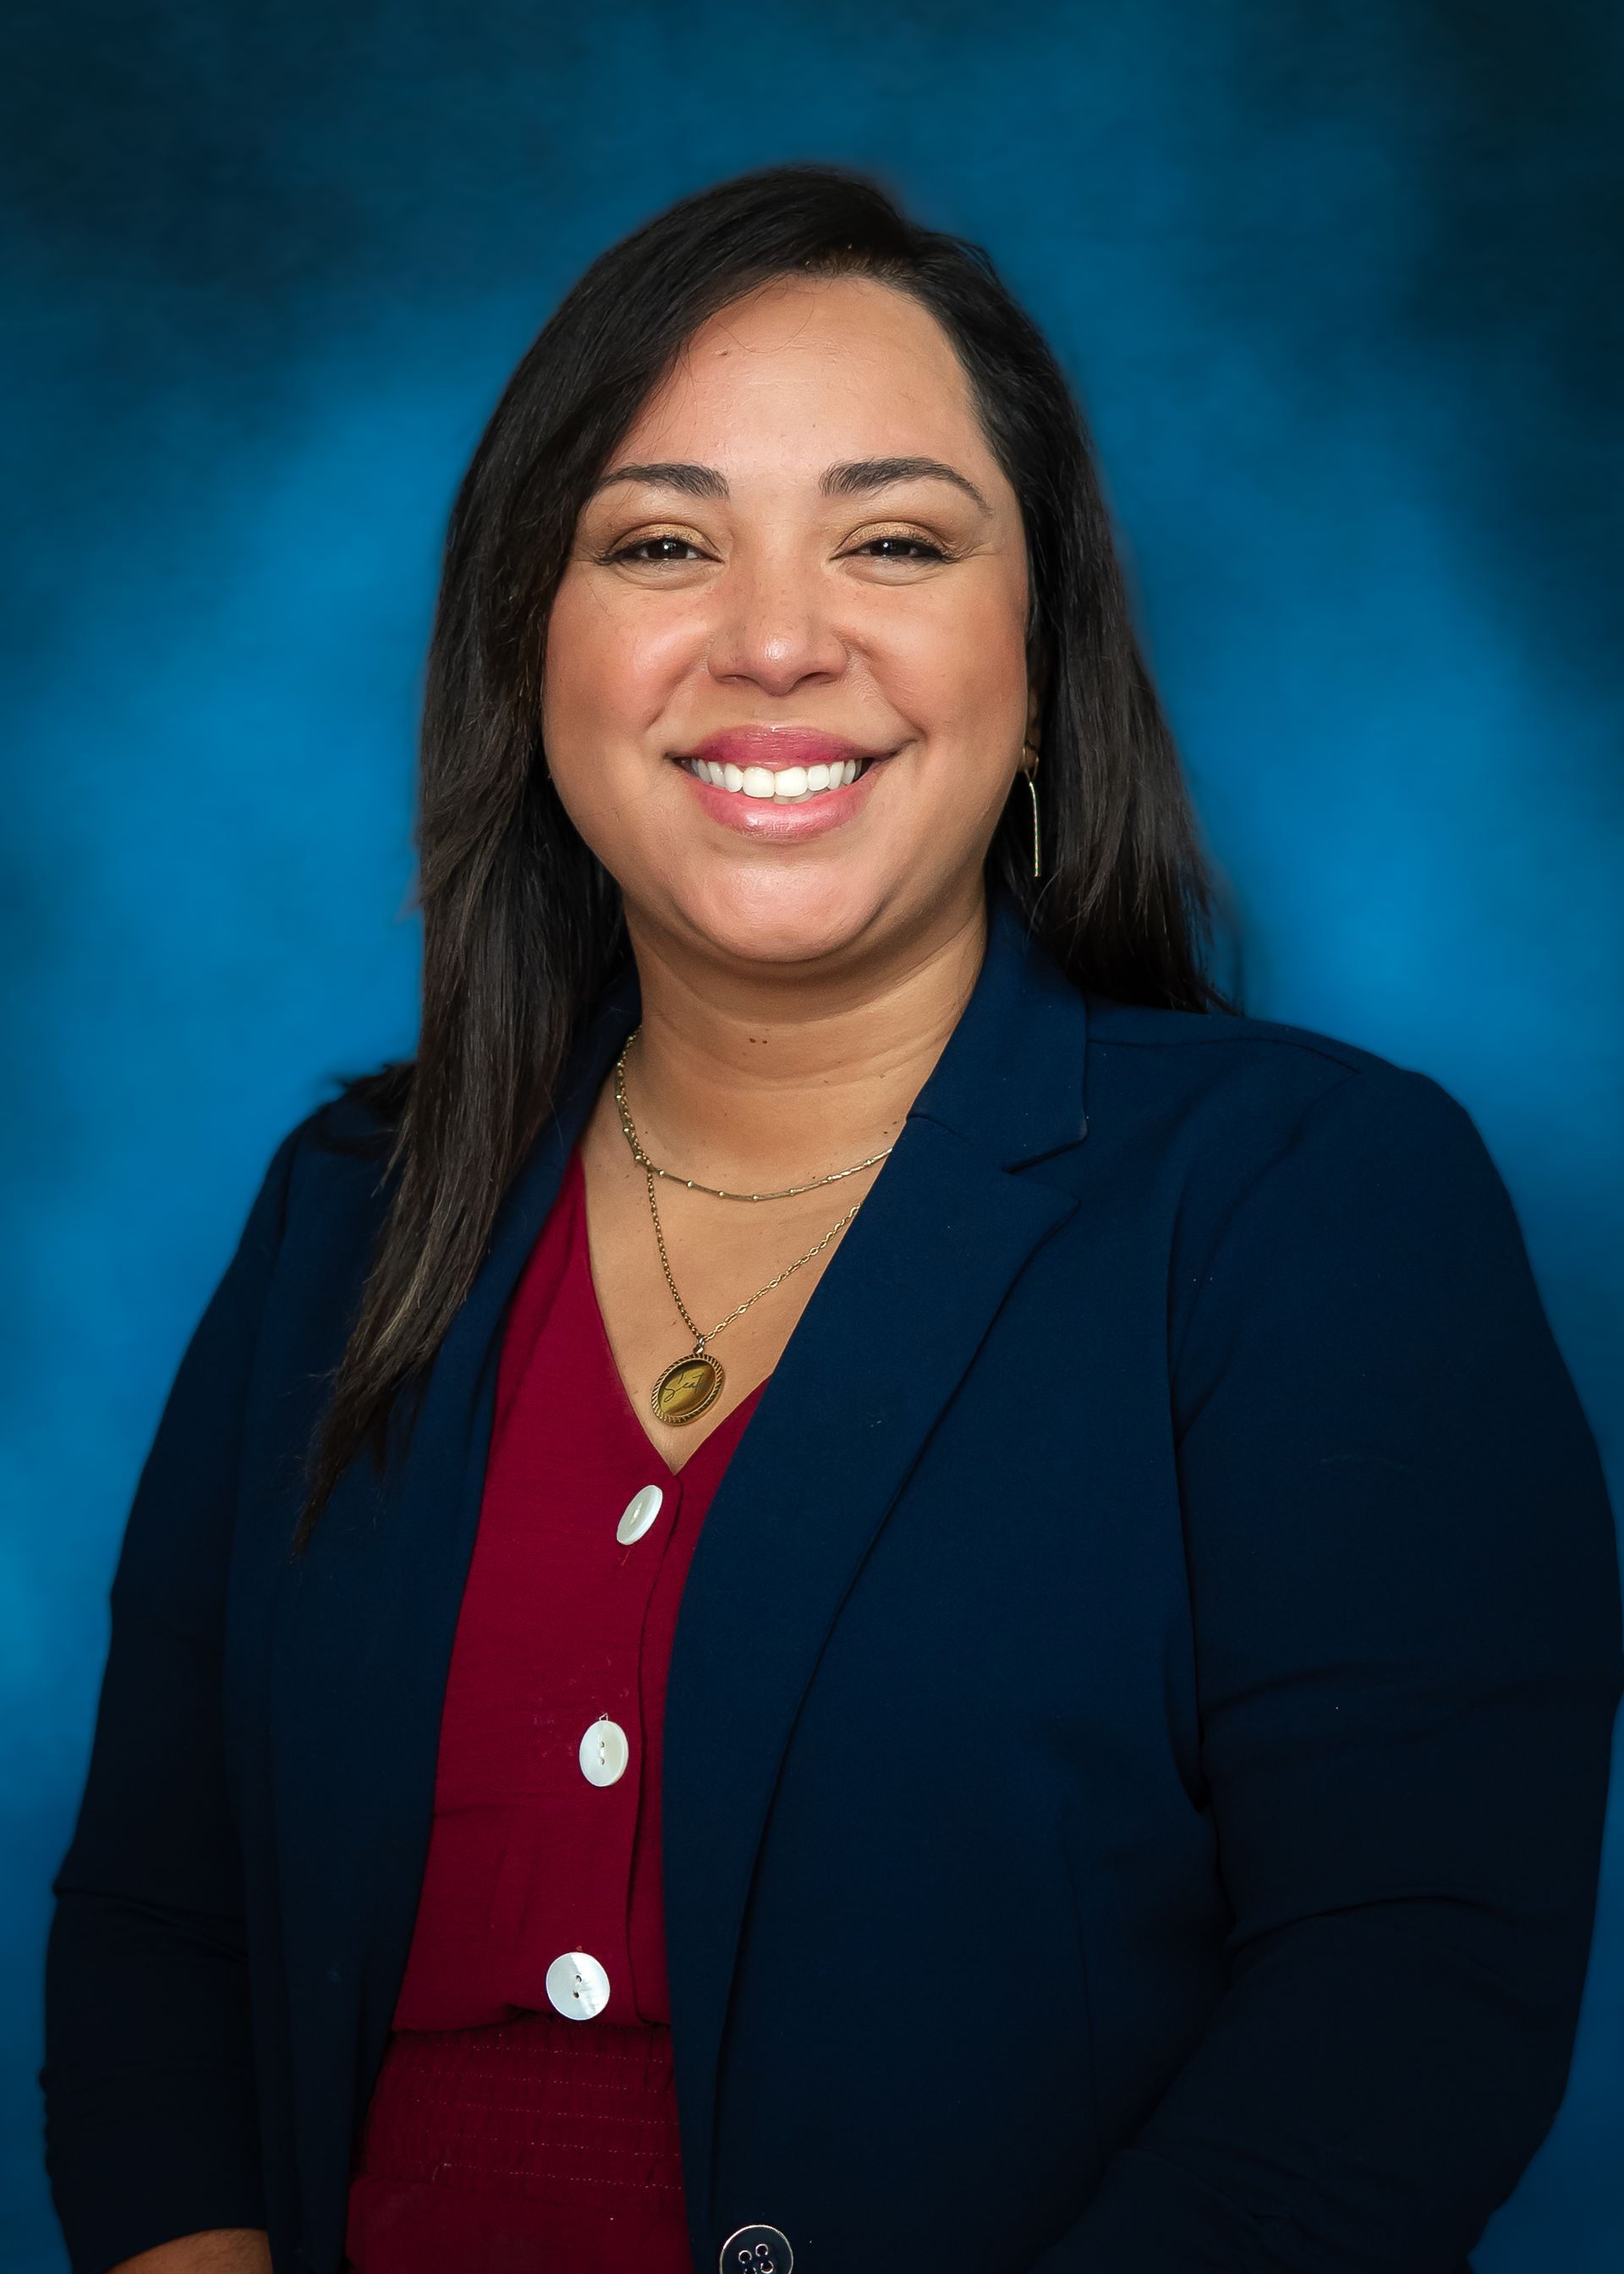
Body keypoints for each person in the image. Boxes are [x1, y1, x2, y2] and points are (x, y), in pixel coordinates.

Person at [42, 162, 1621, 2274]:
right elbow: (157, 1935)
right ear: (535, 659)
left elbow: (1408, 2000)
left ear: (1042, 662)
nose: (776, 641)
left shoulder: (1309, 1206)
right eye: (663, 543)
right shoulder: (345, 1219)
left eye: (894, 540)